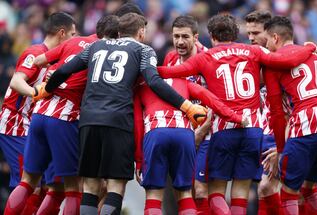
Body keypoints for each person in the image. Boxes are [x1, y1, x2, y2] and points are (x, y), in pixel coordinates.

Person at [34, 13, 207, 215]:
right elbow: (154, 81)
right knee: (116, 186)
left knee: (90, 187)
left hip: (89, 121)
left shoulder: (95, 47)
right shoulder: (143, 50)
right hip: (118, 121)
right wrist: (186, 106)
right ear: (141, 31)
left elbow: (64, 71)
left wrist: (47, 88)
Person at [156, 13, 317, 215]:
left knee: (215, 195)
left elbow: (169, 73)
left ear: (212, 37)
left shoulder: (205, 57)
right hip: (253, 131)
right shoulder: (254, 51)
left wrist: (145, 70)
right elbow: (286, 60)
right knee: (240, 194)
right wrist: (309, 48)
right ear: (236, 33)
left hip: (225, 129)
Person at [263, 16, 317, 215]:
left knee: (289, 192)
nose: (265, 45)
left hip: (307, 124)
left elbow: (275, 111)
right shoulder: (316, 54)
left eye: (266, 40)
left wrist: (282, 150)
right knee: (310, 189)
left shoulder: (274, 62)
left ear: (275, 37)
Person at [133, 74, 245, 214]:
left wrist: (138, 160)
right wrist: (236, 118)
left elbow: (138, 125)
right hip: (184, 134)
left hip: (156, 132)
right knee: (185, 193)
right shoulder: (183, 82)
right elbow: (211, 99)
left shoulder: (141, 85)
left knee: (154, 195)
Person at [3, 12, 76, 215]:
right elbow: (16, 81)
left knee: (44, 184)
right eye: (72, 34)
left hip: (30, 125)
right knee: (29, 184)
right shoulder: (35, 52)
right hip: (14, 124)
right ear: (62, 33)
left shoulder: (55, 60)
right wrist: (35, 92)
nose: (74, 39)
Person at [162, 15, 211, 214]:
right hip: (178, 132)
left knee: (200, 191)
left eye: (185, 36)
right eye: (176, 36)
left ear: (196, 37)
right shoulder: (170, 58)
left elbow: (217, 100)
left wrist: (202, 131)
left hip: (205, 134)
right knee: (179, 189)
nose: (180, 42)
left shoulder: (208, 59)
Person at [245, 10, 283, 215]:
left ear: (269, 33)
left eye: (256, 32)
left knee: (289, 193)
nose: (251, 38)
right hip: (266, 135)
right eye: (248, 33)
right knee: (265, 190)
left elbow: (294, 107)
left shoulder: (283, 60)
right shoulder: (255, 59)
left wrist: (282, 146)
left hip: (288, 138)